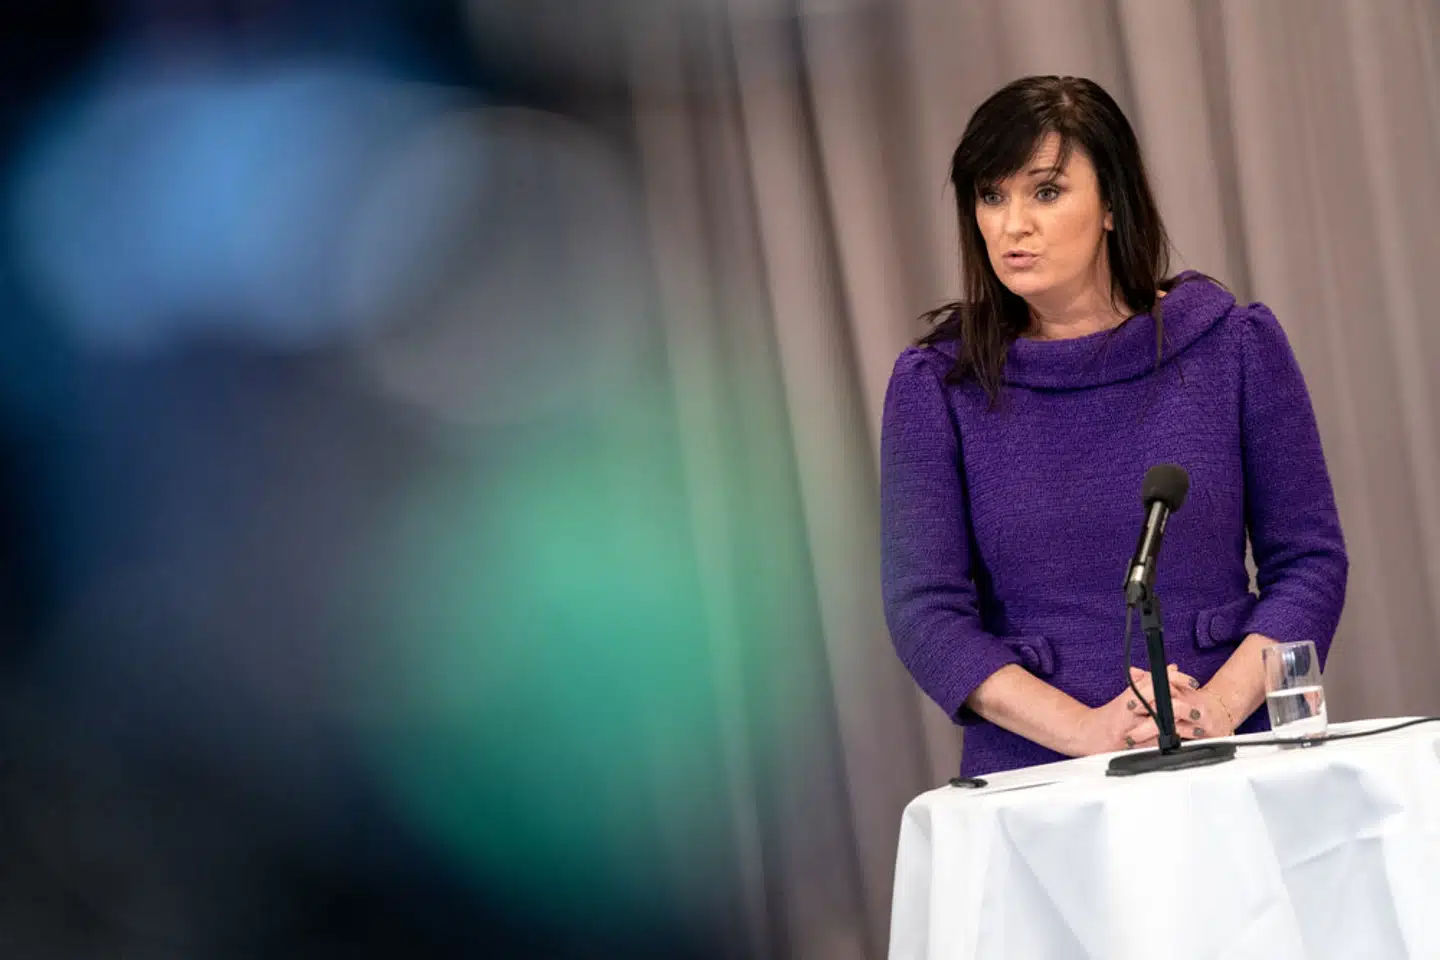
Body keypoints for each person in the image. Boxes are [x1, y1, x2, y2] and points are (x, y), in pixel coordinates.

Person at [879, 75, 1348, 777]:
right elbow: (925, 611)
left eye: (1045, 192)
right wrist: (1085, 729)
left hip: (1232, 751)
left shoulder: (1232, 344)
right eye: (991, 196)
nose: (1012, 225)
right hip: (1039, 772)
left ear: (1110, 204)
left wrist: (1217, 709)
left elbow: (1309, 562)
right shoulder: (938, 385)